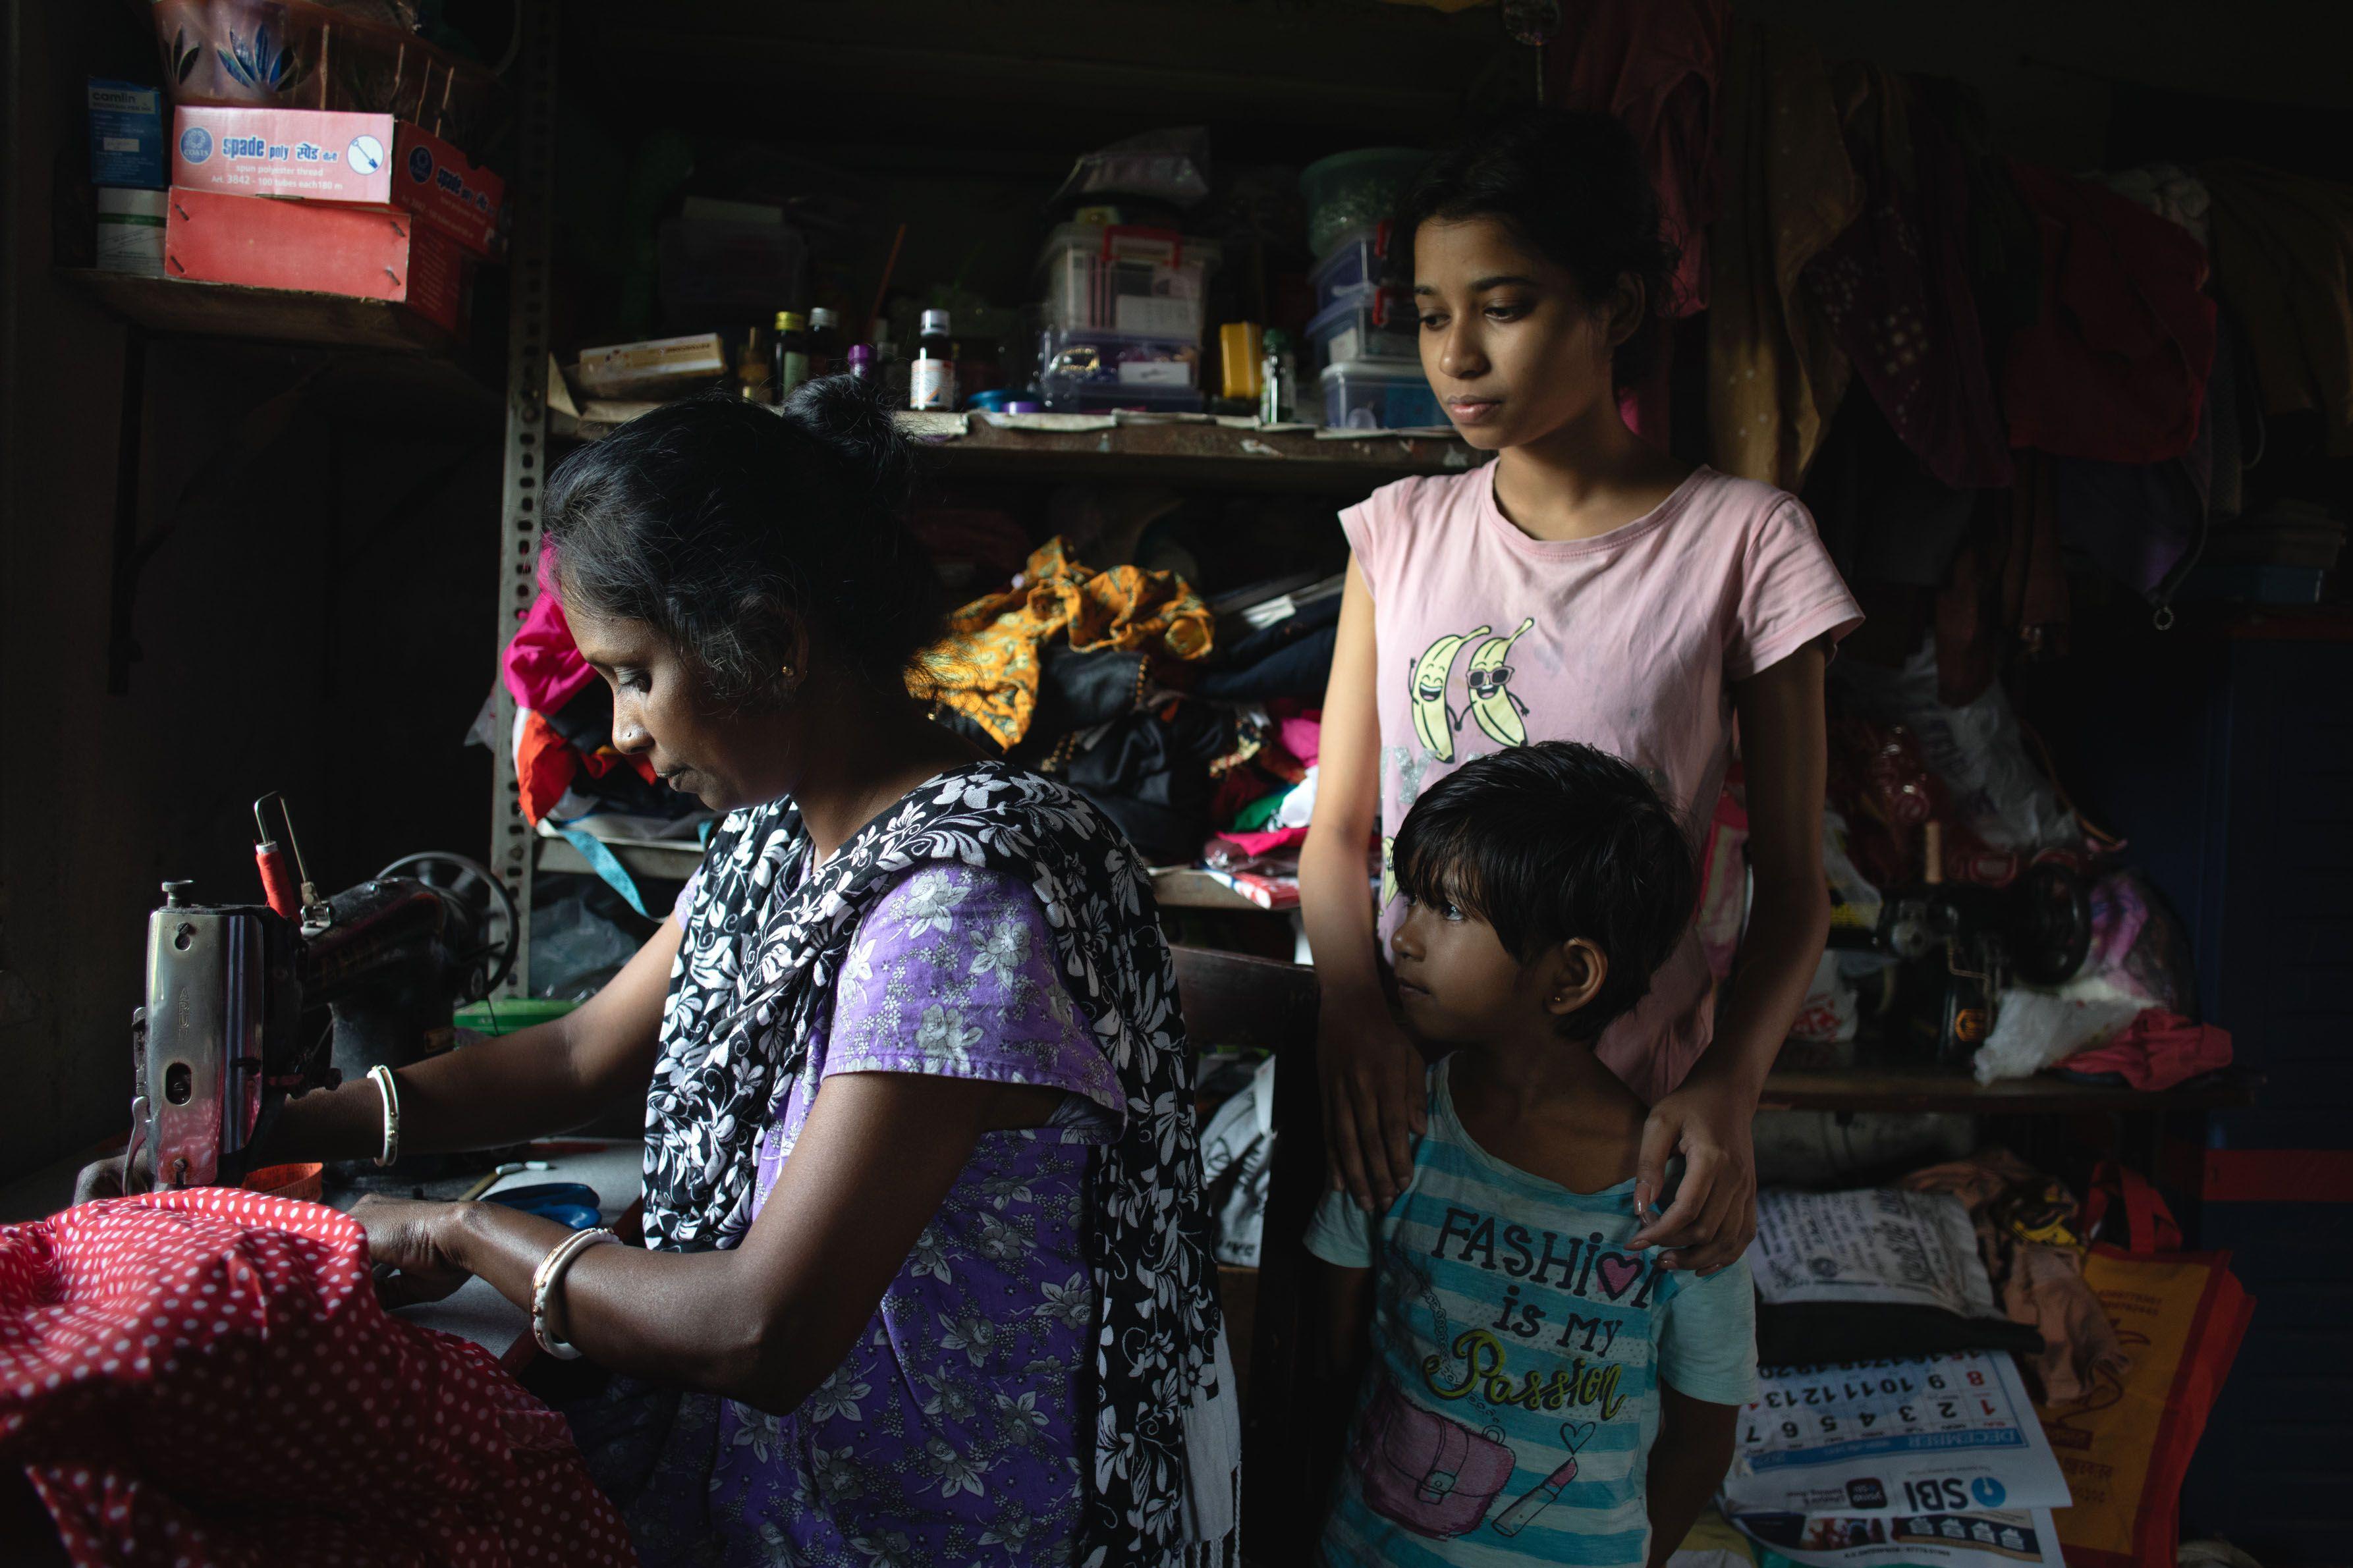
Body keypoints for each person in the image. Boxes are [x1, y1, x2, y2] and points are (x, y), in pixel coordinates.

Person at [86, 385, 1236, 1567]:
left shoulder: (956, 905)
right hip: (774, 1482)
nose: (620, 730)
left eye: (634, 674)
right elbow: (583, 1051)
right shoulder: (773, 840)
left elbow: (763, 1332)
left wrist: (464, 1233)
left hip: (923, 1523)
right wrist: (275, 1126)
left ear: (775, 645)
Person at [1300, 107, 1863, 1271]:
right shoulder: (1397, 535)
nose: (1456, 356)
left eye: (1503, 309)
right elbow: (1337, 830)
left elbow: (1796, 891)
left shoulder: (1745, 544)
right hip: (1414, 1112)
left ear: (1615, 307)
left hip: (1630, 1132)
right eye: (1430, 317)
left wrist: (1724, 1091)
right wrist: (1352, 1012)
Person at [1307, 742, 1756, 1568]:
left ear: (1570, 974)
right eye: (1408, 896)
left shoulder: (1682, 1196)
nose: (1401, 936)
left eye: (1447, 911)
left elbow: (1701, 1435)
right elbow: (1332, 1346)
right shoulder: (1397, 1122)